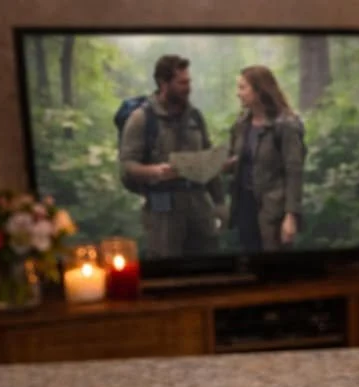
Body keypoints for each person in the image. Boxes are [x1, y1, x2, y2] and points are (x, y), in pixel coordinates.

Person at [119, 55, 226, 260]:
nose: (188, 87)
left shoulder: (195, 116)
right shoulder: (141, 118)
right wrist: (153, 171)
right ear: (163, 83)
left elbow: (209, 160)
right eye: (182, 82)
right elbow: (126, 165)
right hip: (164, 210)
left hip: (199, 206)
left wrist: (219, 203)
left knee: (209, 264)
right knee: (167, 265)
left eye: (189, 81)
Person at [227, 66, 304, 254]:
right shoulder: (241, 124)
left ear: (259, 89)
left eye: (242, 88)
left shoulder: (285, 125)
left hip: (273, 211)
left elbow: (294, 173)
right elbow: (234, 160)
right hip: (245, 207)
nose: (238, 93)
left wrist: (291, 216)